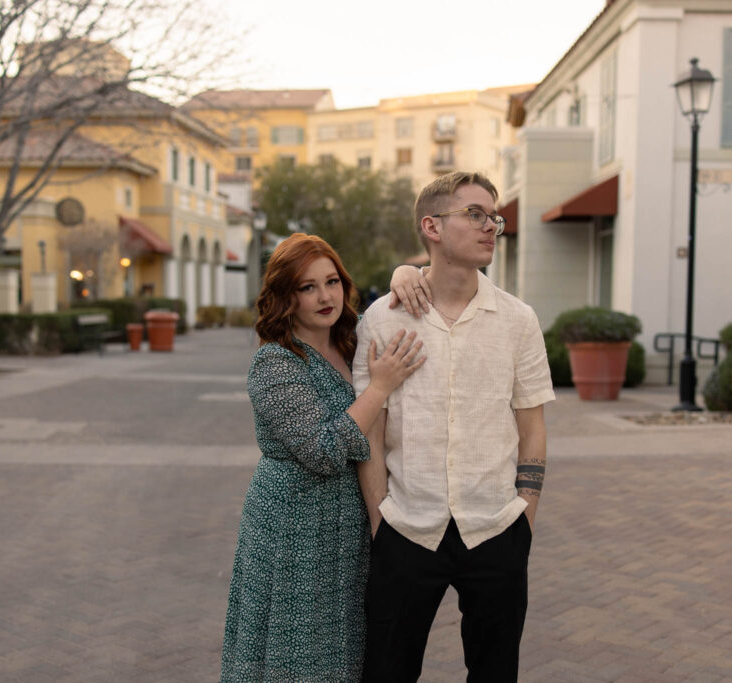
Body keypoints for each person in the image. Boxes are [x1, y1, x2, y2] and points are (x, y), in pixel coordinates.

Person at [354, 171, 555, 682]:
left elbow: (532, 427)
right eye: (475, 214)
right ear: (432, 226)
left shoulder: (518, 320)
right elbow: (370, 433)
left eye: (495, 217)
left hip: (496, 528)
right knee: (386, 674)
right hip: (405, 528)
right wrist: (381, 520)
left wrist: (523, 521)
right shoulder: (383, 320)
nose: (491, 226)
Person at [220, 233, 428, 682]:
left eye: (331, 281)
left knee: (343, 652)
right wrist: (380, 386)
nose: (325, 296)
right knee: (296, 656)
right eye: (307, 286)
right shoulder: (275, 363)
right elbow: (325, 450)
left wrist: (406, 271)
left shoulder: (352, 342)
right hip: (293, 528)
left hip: (349, 525)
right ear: (284, 296)